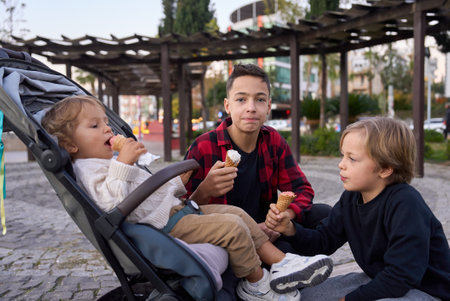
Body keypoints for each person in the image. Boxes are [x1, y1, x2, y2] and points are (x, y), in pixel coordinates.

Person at [41, 95, 333, 301]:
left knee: (237, 214)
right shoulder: (88, 169)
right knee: (232, 229)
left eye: (106, 122)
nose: (107, 129)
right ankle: (256, 285)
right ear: (69, 145)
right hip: (167, 224)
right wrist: (124, 164)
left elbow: (153, 190)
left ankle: (284, 263)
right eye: (94, 126)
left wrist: (180, 185)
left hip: (181, 209)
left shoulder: (109, 163)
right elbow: (109, 204)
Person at [265, 117, 450, 300]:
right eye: (342, 155)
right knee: (308, 296)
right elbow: (323, 240)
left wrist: (350, 299)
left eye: (352, 159)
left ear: (385, 169)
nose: (341, 164)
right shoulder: (352, 198)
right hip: (378, 279)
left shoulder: (406, 204)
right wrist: (291, 229)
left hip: (423, 290)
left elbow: (401, 276)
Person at [184, 64, 331, 252]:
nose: (251, 108)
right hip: (225, 241)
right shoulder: (204, 147)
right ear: (228, 106)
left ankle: (276, 264)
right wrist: (204, 191)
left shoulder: (272, 141)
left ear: (268, 106)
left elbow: (301, 189)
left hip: (268, 231)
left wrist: (284, 215)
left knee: (324, 215)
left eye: (259, 99)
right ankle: (272, 268)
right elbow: (178, 213)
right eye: (241, 99)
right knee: (285, 251)